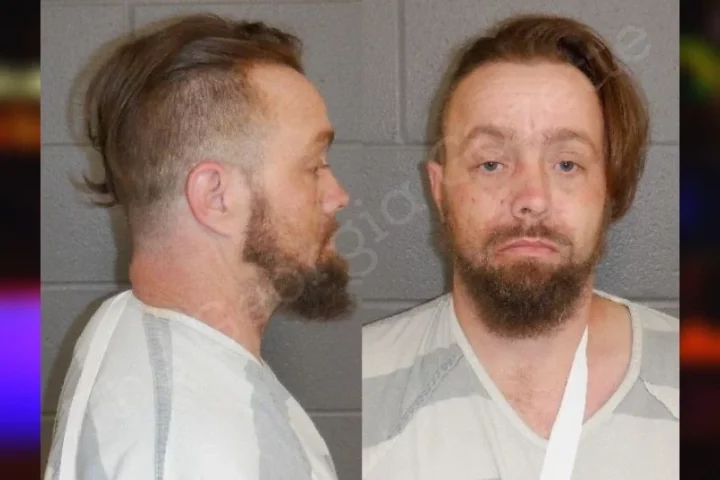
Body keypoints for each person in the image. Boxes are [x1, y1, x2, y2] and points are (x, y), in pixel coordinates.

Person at [362, 13, 678, 480]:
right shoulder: (364, 384)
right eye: (491, 163)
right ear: (440, 190)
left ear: (607, 191)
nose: (532, 198)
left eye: (567, 164)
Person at [45, 13, 352, 480]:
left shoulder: (132, 320)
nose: (337, 195)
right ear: (216, 197)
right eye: (314, 167)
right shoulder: (192, 455)